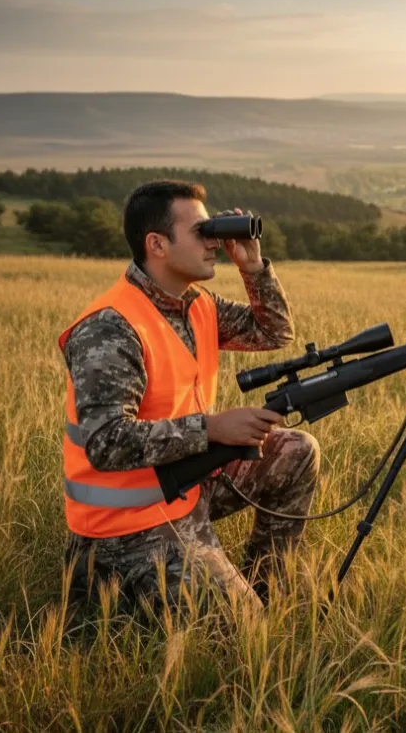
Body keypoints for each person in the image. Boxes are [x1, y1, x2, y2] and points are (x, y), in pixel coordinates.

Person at [60, 179, 319, 616]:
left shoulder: (196, 304)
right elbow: (105, 443)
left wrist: (253, 267)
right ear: (157, 244)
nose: (214, 242)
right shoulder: (110, 327)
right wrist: (214, 428)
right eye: (201, 231)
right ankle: (238, 602)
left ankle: (265, 585)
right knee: (249, 629)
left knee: (296, 450)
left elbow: (273, 331)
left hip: (185, 484)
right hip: (125, 525)